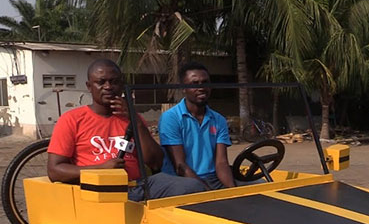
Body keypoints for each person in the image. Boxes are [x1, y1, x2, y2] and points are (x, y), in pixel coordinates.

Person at [47, 58, 206, 201]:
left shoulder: (132, 117)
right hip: (99, 189)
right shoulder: (72, 119)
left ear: (121, 85)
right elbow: (55, 171)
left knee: (193, 187)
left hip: (138, 185)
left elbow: (156, 162)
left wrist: (135, 121)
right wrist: (101, 169)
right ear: (89, 86)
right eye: (101, 82)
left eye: (114, 82)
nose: (108, 87)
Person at [158, 62, 235, 190]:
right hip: (182, 180)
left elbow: (221, 163)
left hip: (213, 178)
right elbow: (180, 166)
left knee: (257, 184)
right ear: (183, 88)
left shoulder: (218, 119)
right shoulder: (171, 118)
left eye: (205, 82)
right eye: (194, 84)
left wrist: (233, 191)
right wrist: (209, 193)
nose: (201, 88)